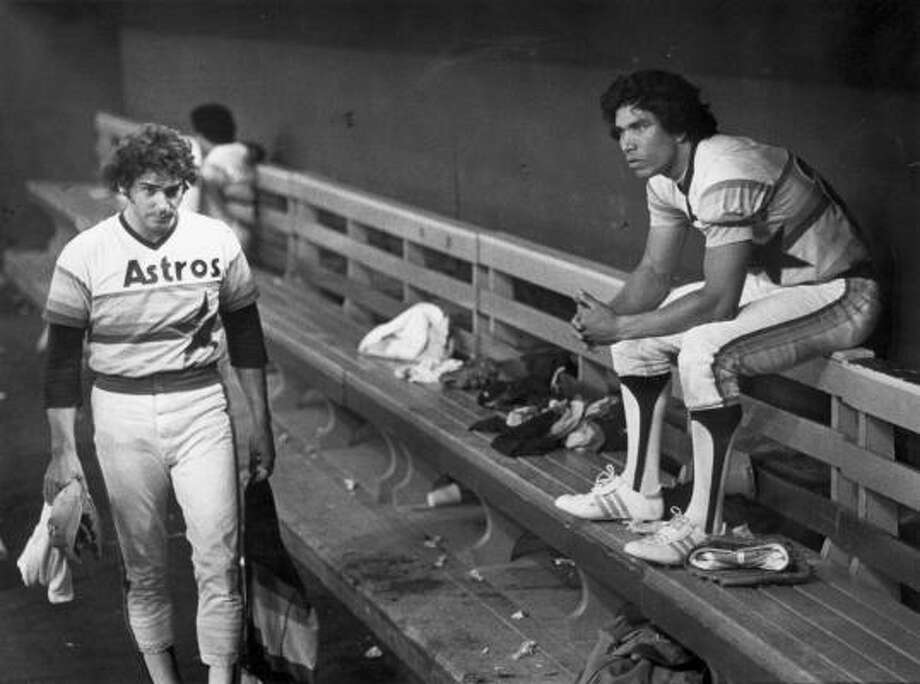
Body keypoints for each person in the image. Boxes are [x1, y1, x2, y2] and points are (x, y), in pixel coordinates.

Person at [555, 70, 881, 565]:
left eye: (640, 126)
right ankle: (638, 489)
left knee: (705, 351)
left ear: (680, 128)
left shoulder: (726, 167)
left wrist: (618, 324)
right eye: (620, 131)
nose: (627, 143)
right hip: (781, 285)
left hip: (841, 291)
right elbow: (654, 271)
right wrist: (609, 317)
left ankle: (702, 524)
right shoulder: (666, 180)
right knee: (637, 341)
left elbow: (718, 303)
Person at [41, 123, 276, 683]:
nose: (164, 202)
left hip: (200, 406)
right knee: (144, 565)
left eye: (173, 190)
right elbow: (60, 362)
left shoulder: (215, 240)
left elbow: (245, 335)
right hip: (120, 414)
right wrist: (62, 450)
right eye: (150, 189)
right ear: (125, 187)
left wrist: (260, 422)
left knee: (218, 558)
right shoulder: (86, 252)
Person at [188, 103, 263, 254]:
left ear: (201, 136)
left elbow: (208, 178)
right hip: (243, 233)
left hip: (222, 236)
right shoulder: (240, 150)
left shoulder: (216, 158)